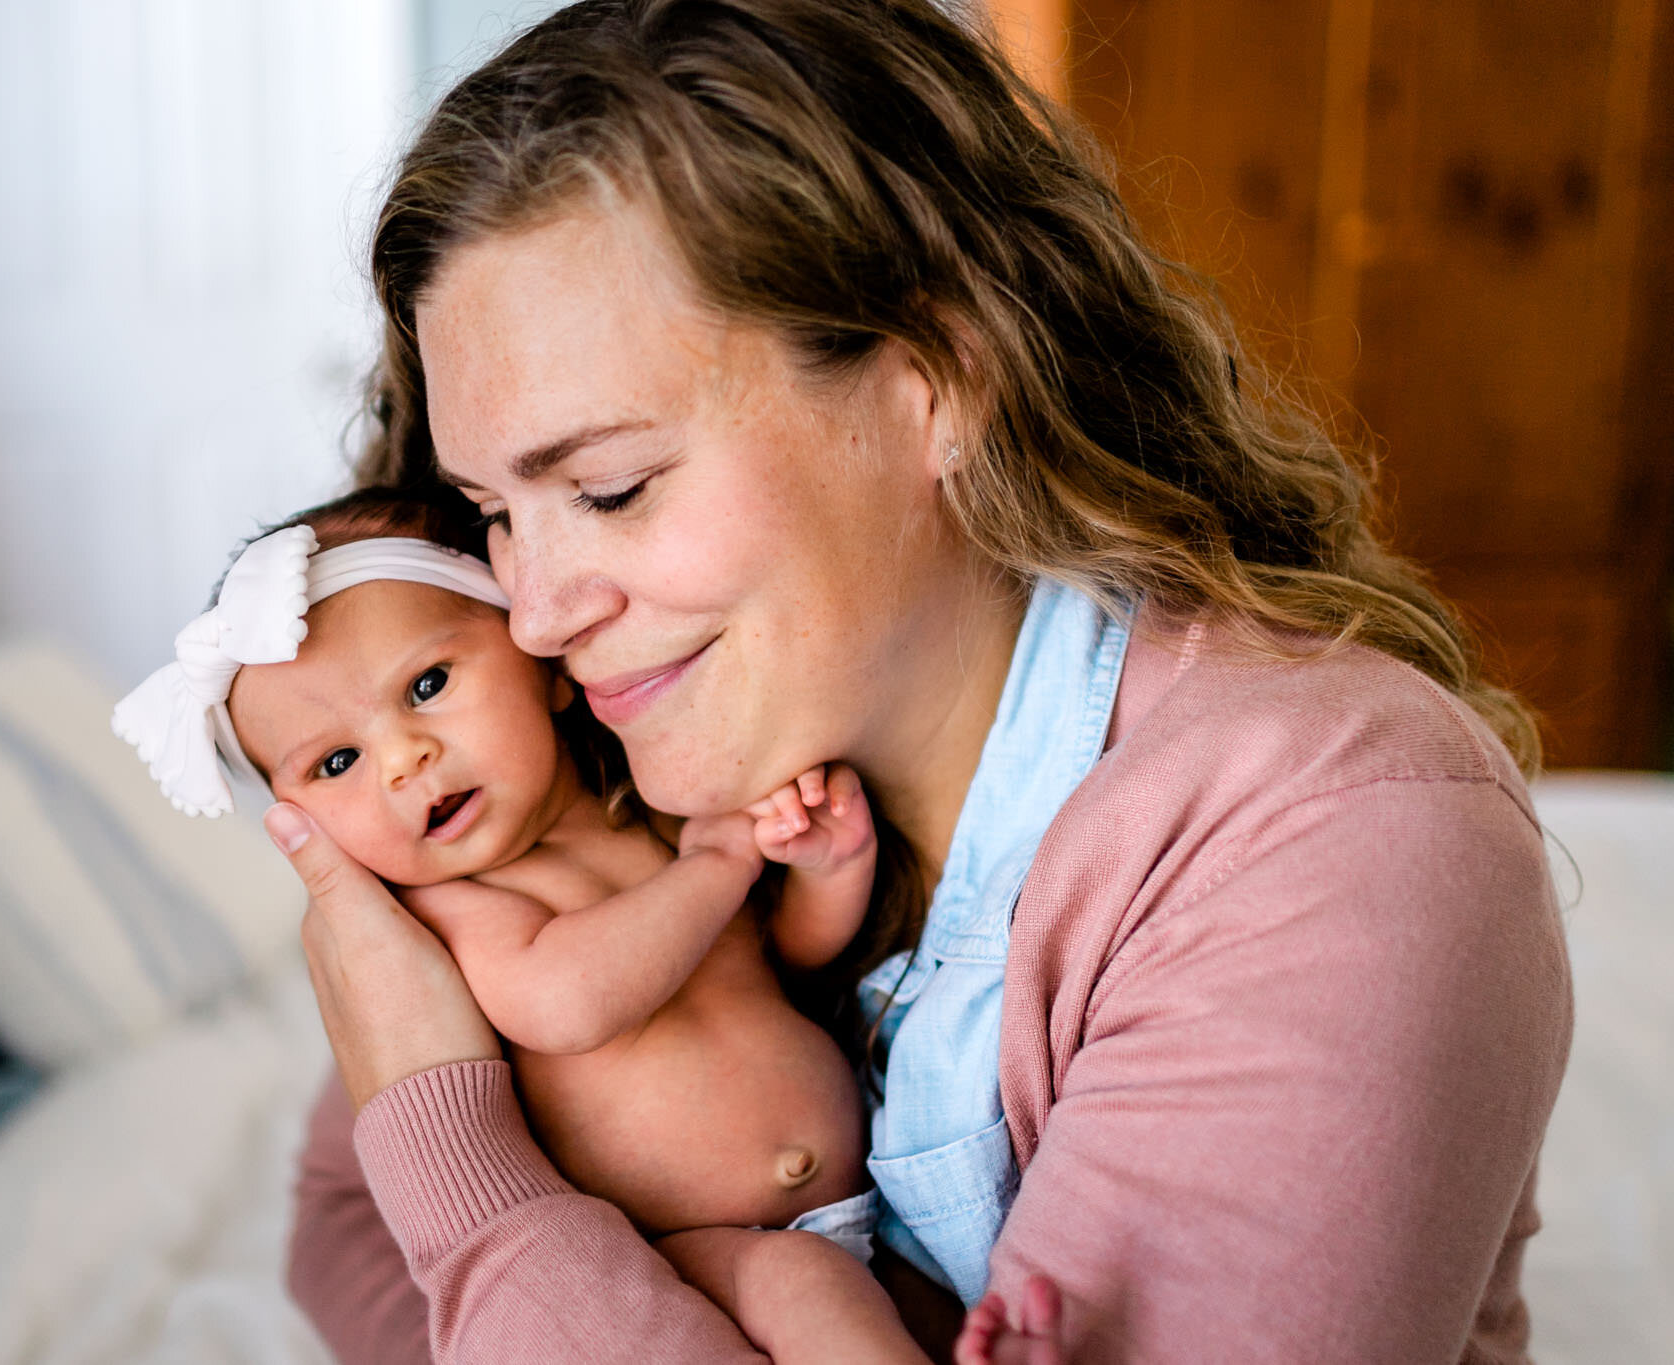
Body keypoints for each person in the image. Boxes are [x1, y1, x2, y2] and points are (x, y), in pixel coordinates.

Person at [274, 1, 1573, 1360]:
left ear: (941, 381)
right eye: (492, 513)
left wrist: (476, 1198)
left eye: (609, 487)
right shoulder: (607, 783)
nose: (534, 617)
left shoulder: (1330, 833)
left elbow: (420, 1174)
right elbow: (337, 1213)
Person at [115, 491, 924, 1359]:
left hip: (868, 1198)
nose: (403, 758)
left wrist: (829, 867)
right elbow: (567, 1000)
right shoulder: (452, 912)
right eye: (336, 761)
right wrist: (719, 865)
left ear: (539, 662)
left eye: (428, 685)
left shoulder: (651, 805)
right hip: (695, 1251)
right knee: (809, 1288)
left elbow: (782, 961)